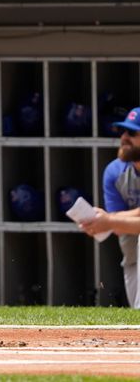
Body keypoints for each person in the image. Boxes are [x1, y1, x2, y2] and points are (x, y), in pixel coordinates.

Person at [78, 106, 140, 308]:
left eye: (132, 132)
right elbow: (120, 228)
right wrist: (104, 221)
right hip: (131, 259)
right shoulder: (114, 171)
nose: (124, 137)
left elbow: (115, 222)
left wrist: (108, 220)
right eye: (122, 131)